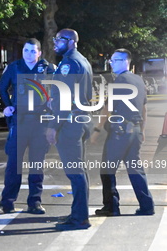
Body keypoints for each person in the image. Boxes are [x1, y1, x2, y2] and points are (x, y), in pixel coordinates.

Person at [0, 38, 55, 214]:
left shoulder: (47, 68)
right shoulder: (15, 67)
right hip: (19, 121)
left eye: (33, 51)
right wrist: (7, 106)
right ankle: (7, 202)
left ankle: (35, 202)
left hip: (40, 122)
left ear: (39, 53)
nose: (29, 54)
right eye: (26, 51)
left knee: (37, 164)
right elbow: (2, 87)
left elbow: (59, 86)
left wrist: (52, 101)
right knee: (13, 164)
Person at [92, 48, 154, 216]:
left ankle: (111, 206)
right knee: (135, 169)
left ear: (126, 61)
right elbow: (144, 109)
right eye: (111, 60)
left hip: (119, 133)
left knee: (107, 169)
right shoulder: (139, 81)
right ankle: (147, 205)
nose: (112, 63)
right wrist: (141, 131)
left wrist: (97, 130)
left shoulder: (118, 81)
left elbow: (107, 108)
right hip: (134, 131)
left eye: (115, 60)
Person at [46, 28, 93, 230]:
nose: (55, 42)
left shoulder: (69, 63)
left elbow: (65, 98)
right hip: (81, 120)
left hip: (69, 123)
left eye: (60, 39)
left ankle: (80, 218)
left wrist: (53, 126)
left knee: (75, 171)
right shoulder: (82, 60)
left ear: (72, 41)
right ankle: (78, 212)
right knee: (79, 170)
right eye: (54, 38)